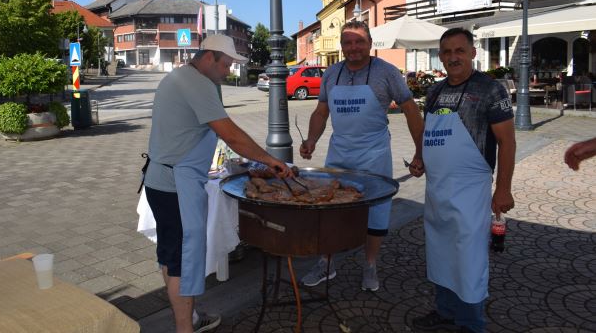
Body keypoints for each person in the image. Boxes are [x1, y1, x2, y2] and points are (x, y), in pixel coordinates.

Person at [142, 34, 292, 333]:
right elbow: (231, 135)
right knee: (183, 261)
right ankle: (185, 327)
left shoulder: (180, 77)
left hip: (160, 180)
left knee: (171, 255)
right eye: (226, 65)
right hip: (176, 186)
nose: (228, 71)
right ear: (209, 57)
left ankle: (191, 318)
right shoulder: (196, 83)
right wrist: (270, 161)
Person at [299, 20, 425, 291]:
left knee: (376, 211)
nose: (353, 47)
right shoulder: (331, 73)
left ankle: (369, 264)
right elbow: (321, 112)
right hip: (339, 153)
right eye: (348, 42)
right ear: (341, 45)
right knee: (329, 210)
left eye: (359, 41)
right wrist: (311, 140)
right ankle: (326, 262)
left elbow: (411, 110)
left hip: (374, 154)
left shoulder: (387, 72)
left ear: (370, 43)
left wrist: (420, 152)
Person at [413, 28, 515, 333]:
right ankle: (445, 311)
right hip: (437, 188)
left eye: (460, 50)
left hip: (471, 189)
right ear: (441, 56)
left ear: (472, 52)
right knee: (440, 251)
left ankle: (471, 323)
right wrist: (420, 157)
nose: (453, 57)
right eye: (447, 52)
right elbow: (428, 134)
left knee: (469, 257)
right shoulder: (435, 91)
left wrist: (503, 189)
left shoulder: (490, 90)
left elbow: (507, 142)